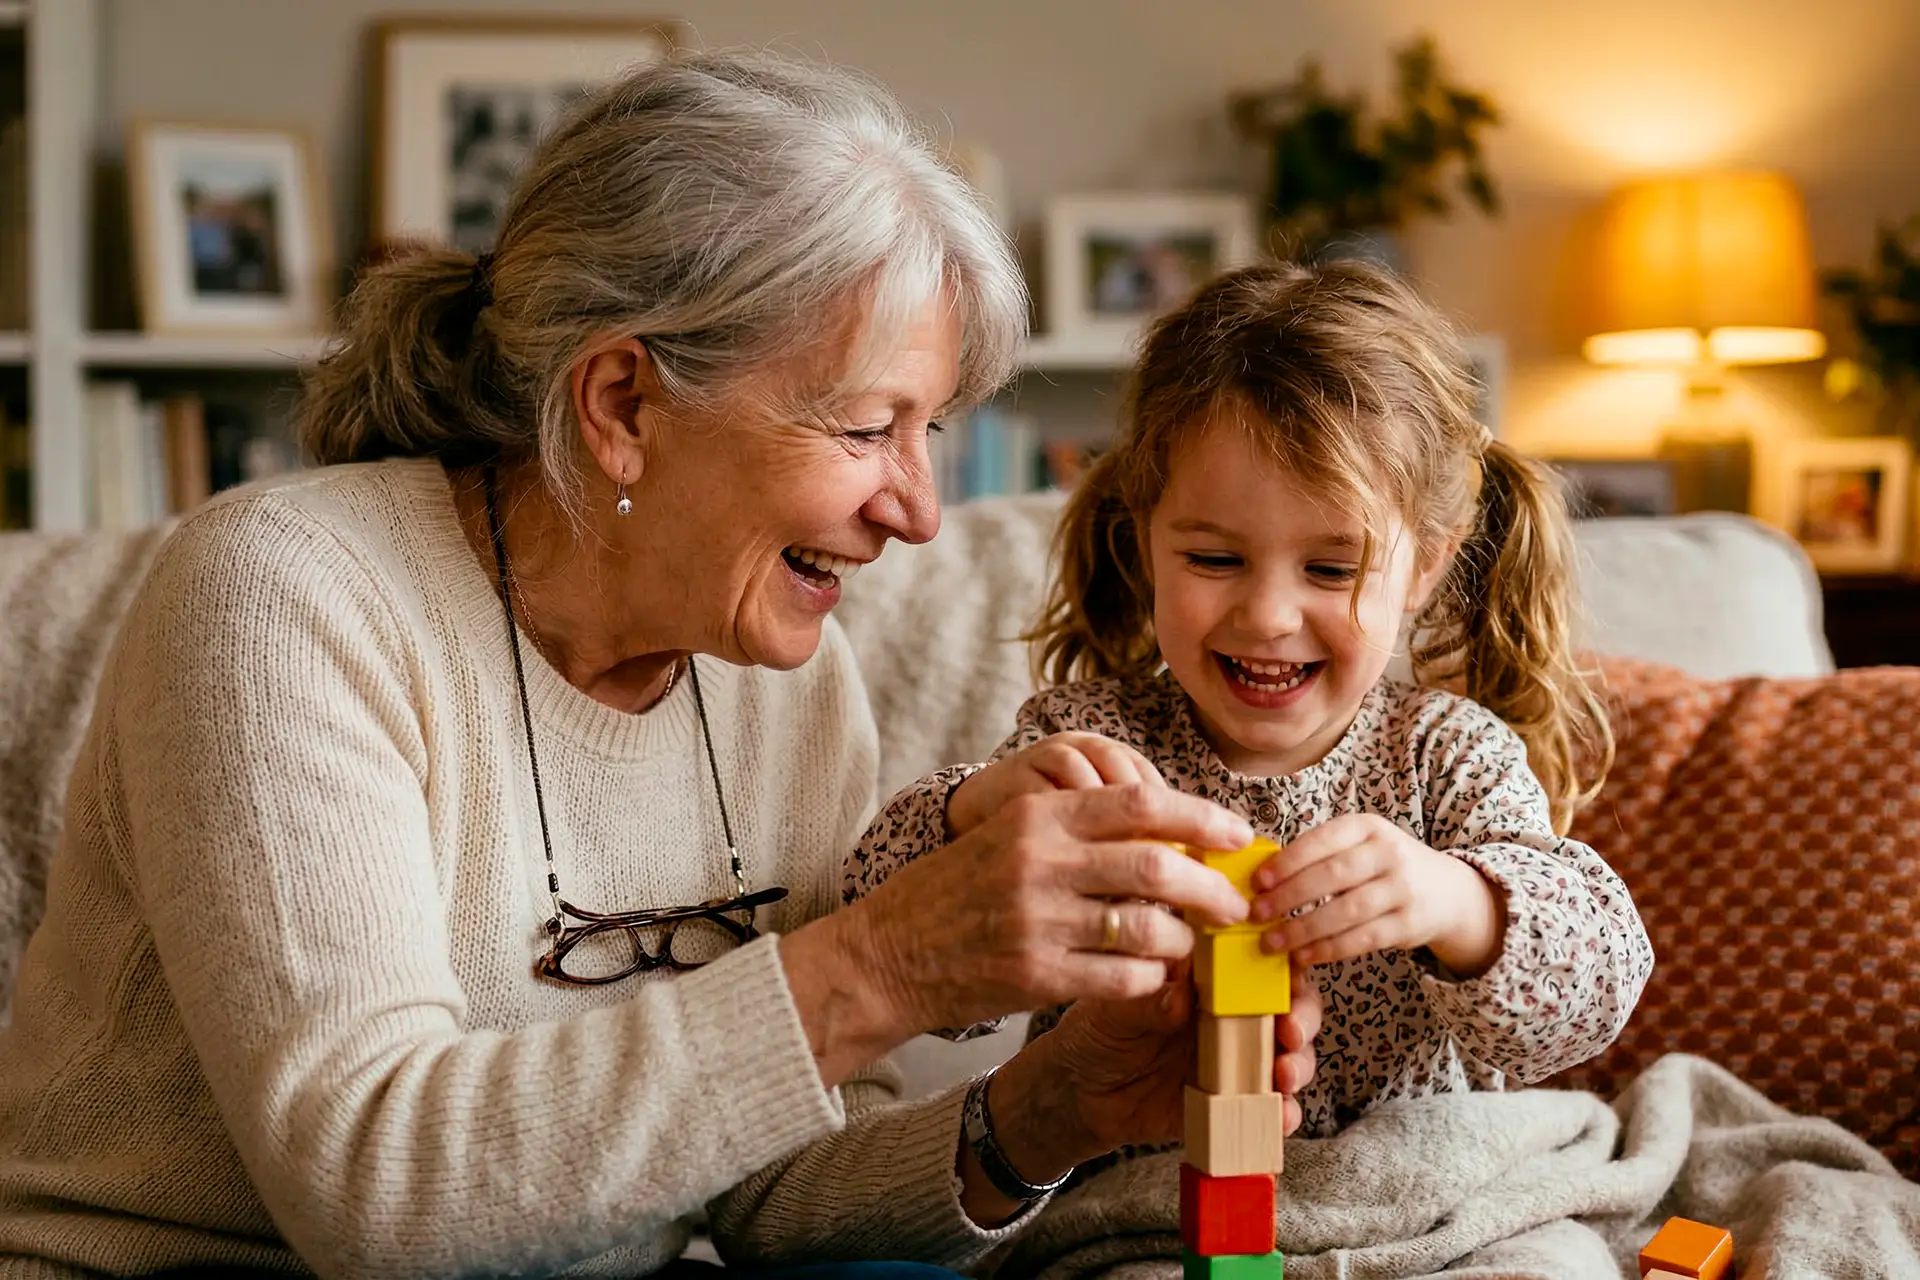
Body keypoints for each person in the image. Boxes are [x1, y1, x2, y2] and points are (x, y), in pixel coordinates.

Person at [0, 52, 1322, 1279]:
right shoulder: (287, 594)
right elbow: (374, 1198)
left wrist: (1047, 1112)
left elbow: (762, 1192)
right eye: (869, 428)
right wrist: (883, 968)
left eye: (933, 433)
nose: (917, 509)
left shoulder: (784, 675)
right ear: (624, 404)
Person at [850, 260, 1654, 1147]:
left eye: (1331, 569)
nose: (1269, 617)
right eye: (1216, 560)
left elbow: (1583, 1006)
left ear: (1424, 566)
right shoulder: (1091, 750)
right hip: (1151, 1206)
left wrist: (1456, 901)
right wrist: (974, 817)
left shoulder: (1447, 757)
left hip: (1424, 1214)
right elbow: (897, 958)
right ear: (1145, 540)